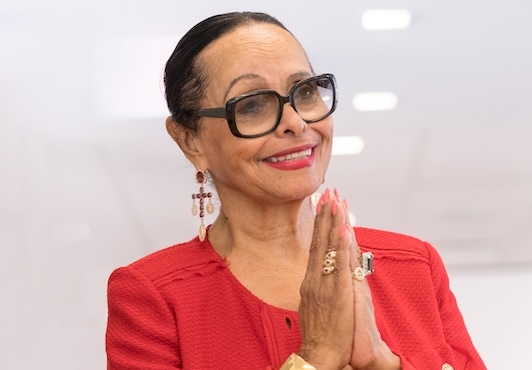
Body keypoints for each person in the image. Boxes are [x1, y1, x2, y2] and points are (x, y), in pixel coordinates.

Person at [105, 11, 486, 370]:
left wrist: (380, 363)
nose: (295, 122)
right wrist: (316, 354)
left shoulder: (414, 266)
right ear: (190, 140)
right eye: (252, 104)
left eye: (304, 91)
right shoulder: (153, 297)